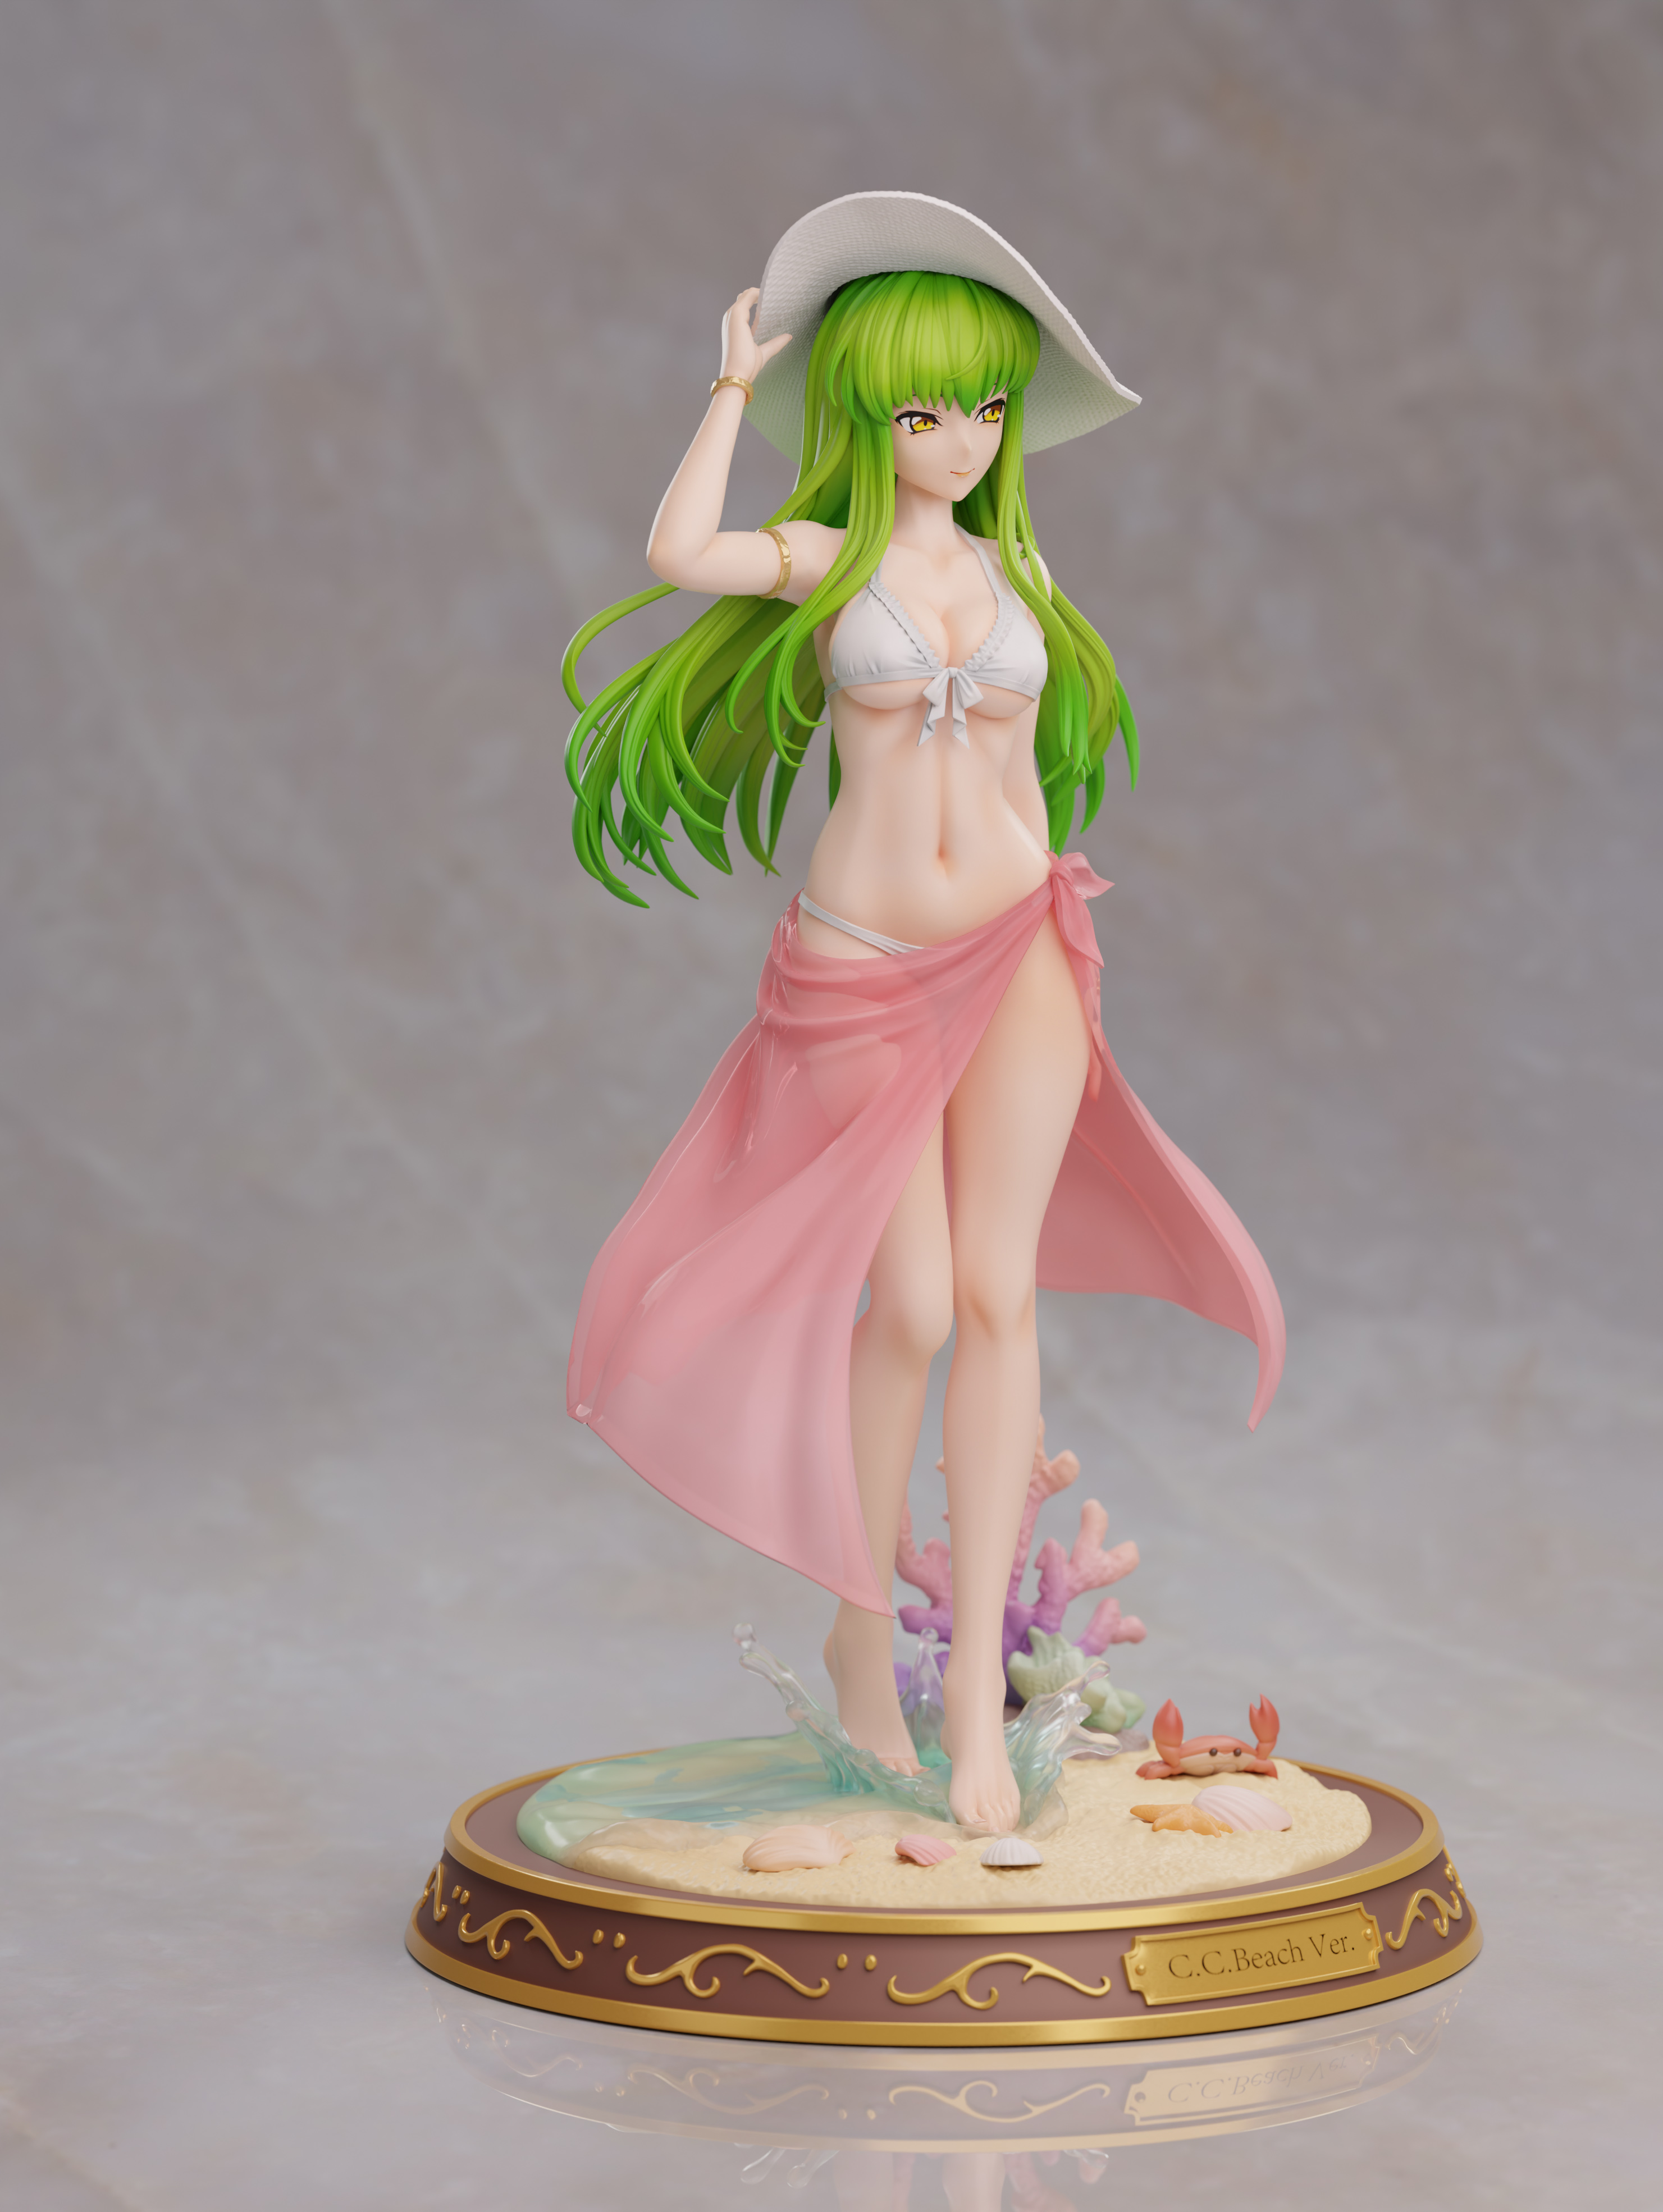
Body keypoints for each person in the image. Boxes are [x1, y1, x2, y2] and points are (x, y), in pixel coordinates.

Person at [563, 194, 1283, 1832]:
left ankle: (968, 1704)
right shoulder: (830, 560)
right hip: (866, 965)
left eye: (988, 408)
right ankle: (857, 1630)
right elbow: (680, 554)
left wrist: (1054, 913)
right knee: (909, 1305)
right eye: (923, 413)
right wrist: (732, 387)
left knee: (999, 1294)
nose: (961, 442)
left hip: (1019, 949)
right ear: (867, 416)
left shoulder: (1017, 571)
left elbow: (1018, 772)